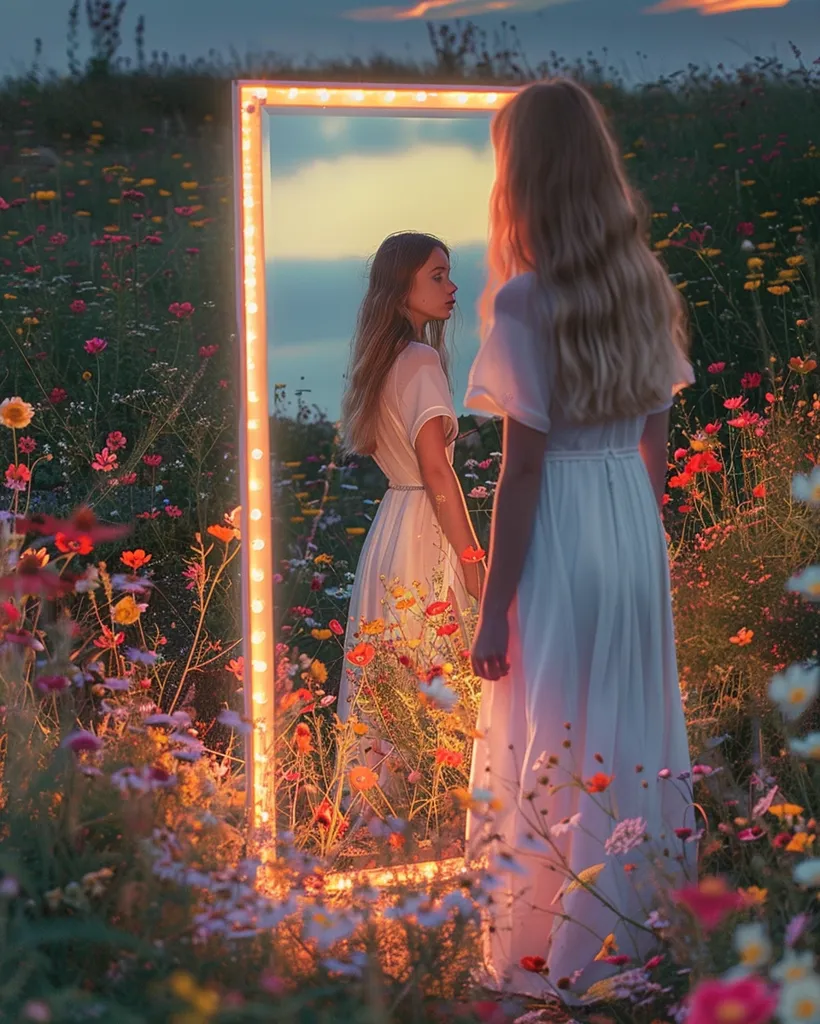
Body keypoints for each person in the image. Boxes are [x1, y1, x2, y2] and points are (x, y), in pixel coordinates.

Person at [462, 79, 698, 1002]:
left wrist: (491, 614)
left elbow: (521, 472)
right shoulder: (642, 282)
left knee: (551, 728)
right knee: (629, 726)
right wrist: (635, 540)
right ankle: (635, 939)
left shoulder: (525, 301)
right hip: (628, 520)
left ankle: (550, 951)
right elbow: (657, 440)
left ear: (523, 176)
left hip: (562, 515)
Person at [337, 231, 486, 773]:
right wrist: (474, 564)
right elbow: (435, 468)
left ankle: (384, 815)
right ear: (404, 285)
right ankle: (441, 805)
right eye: (437, 276)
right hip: (426, 526)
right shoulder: (420, 360)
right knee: (441, 677)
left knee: (392, 684)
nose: (452, 288)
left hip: (391, 530)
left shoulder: (384, 361)